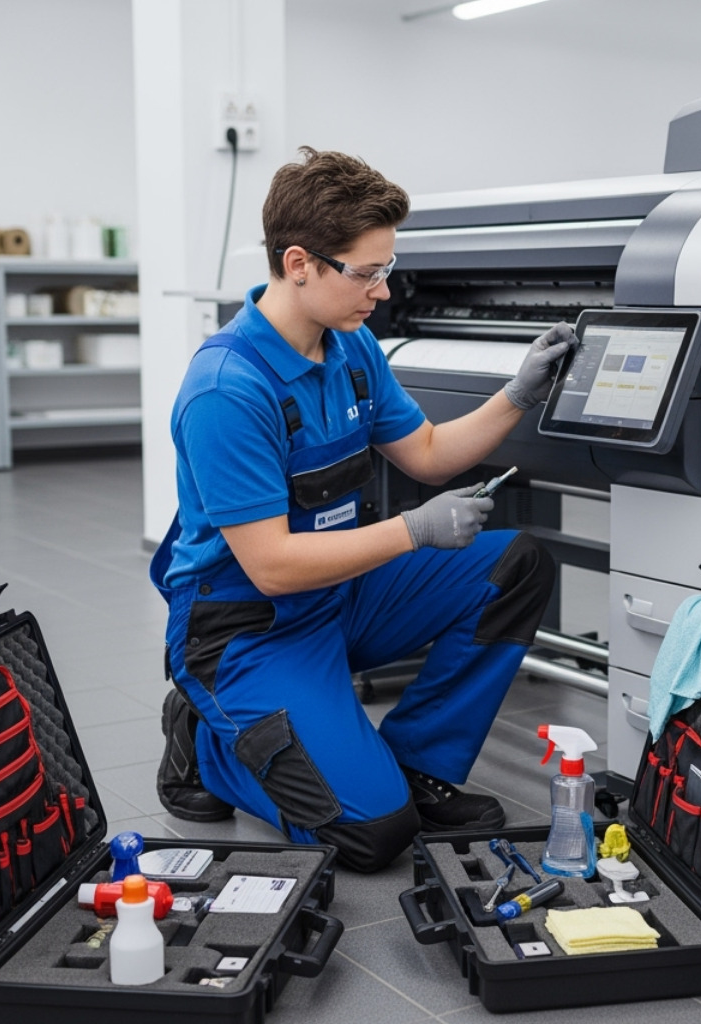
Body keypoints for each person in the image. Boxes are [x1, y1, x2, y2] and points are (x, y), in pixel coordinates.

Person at [149, 148, 575, 873]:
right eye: (366, 272)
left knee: (514, 564)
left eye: (387, 268)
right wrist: (414, 528)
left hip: (339, 594)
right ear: (298, 264)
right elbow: (272, 566)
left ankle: (415, 764)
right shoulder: (228, 389)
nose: (383, 290)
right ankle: (207, 744)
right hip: (249, 625)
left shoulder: (352, 349)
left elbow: (429, 454)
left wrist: (518, 394)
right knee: (371, 835)